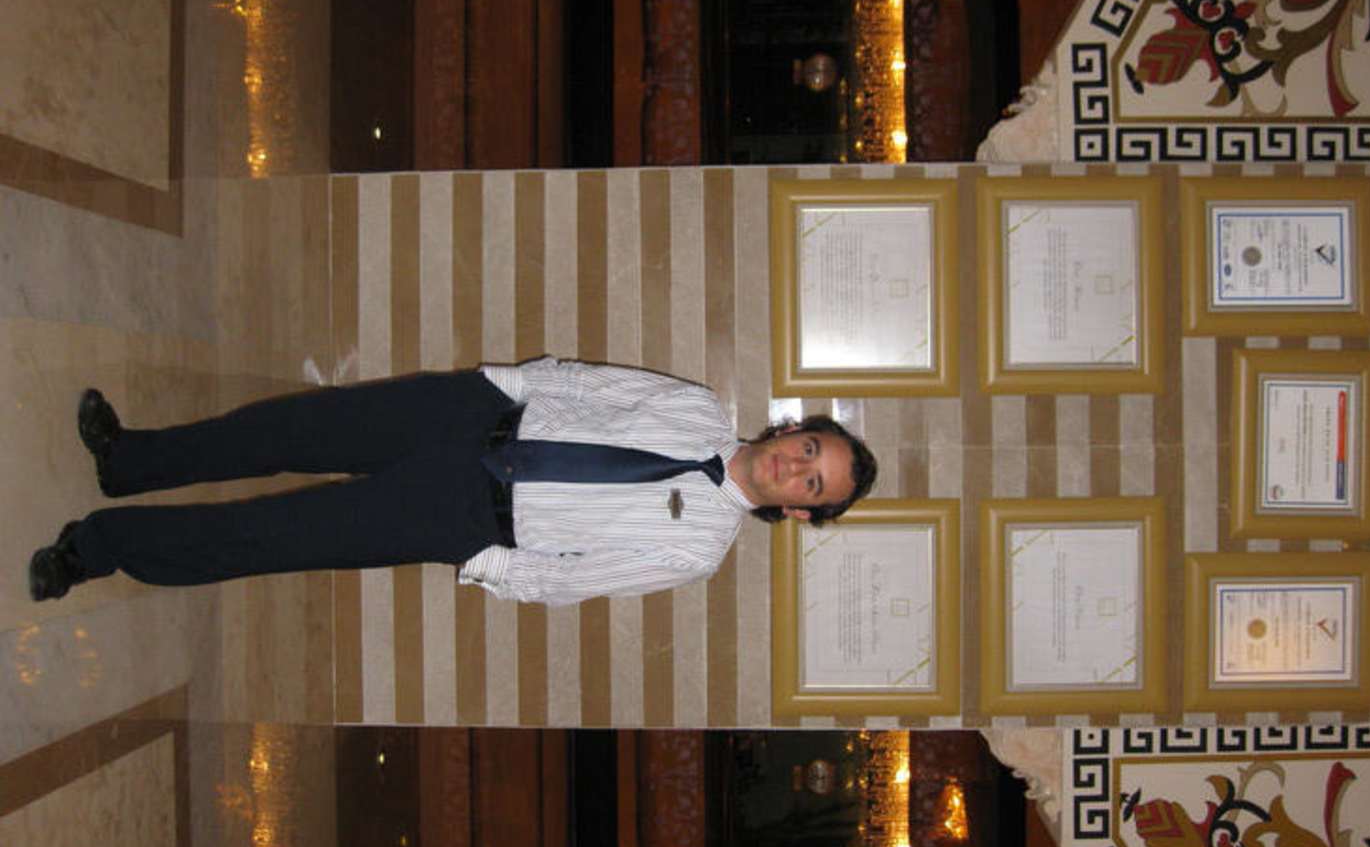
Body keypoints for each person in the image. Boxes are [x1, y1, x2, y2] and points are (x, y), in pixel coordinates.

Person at [29, 358, 877, 605]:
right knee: (279, 431)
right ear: (792, 428)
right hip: (466, 418)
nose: (796, 467)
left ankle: (95, 550)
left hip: (467, 514)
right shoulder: (697, 407)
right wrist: (499, 385)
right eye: (810, 448)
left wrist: (486, 557)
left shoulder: (698, 550)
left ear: (802, 514)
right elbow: (589, 385)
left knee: (270, 537)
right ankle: (129, 461)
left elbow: (576, 579)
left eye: (813, 485)